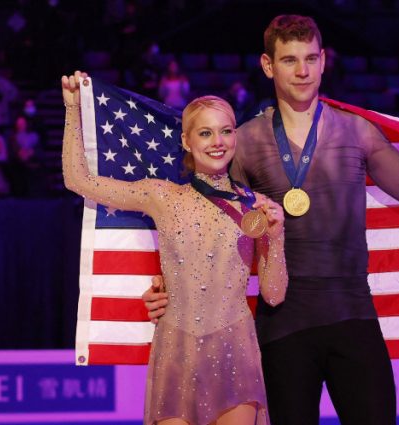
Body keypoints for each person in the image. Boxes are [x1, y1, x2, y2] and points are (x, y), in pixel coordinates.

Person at [144, 15, 399, 425]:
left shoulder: (357, 132)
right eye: (290, 60)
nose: (303, 71)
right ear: (268, 65)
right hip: (281, 330)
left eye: (311, 58)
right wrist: (168, 286)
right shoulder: (247, 142)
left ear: (324, 60)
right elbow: (208, 226)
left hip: (352, 318)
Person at [61, 71, 287, 425]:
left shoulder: (254, 207)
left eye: (226, 131)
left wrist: (276, 236)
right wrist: (72, 107)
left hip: (234, 350)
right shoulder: (162, 196)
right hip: (176, 349)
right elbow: (78, 180)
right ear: (186, 141)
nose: (217, 141)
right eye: (205, 132)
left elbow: (273, 295)